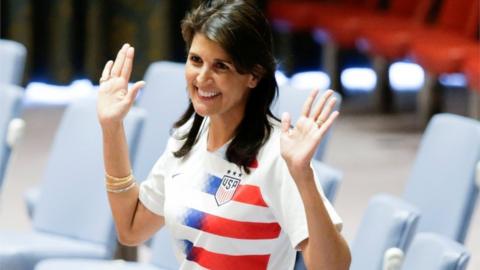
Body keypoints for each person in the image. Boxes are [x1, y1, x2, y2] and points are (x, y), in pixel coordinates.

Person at [96, 0, 351, 269]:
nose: (202, 77)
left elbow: (333, 267)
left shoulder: (277, 156)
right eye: (196, 60)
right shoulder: (187, 139)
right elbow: (131, 228)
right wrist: (112, 128)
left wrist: (304, 177)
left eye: (221, 66)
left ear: (253, 75)